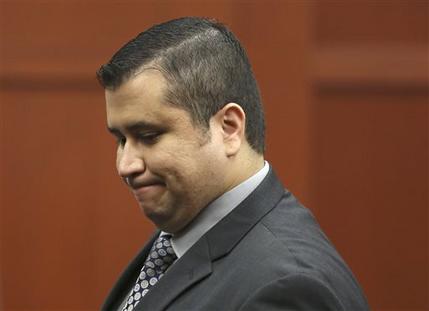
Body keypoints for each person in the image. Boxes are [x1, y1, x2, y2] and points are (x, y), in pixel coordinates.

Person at [96, 17, 369, 311]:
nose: (126, 165)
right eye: (121, 140)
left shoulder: (289, 288)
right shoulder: (178, 238)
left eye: (148, 136)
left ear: (228, 128)